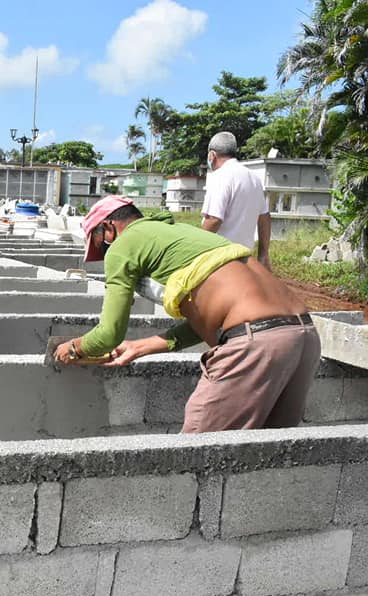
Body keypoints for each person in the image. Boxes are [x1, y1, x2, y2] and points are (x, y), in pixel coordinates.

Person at [54, 195, 320, 434]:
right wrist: (141, 346)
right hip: (302, 335)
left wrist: (74, 348)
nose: (104, 253)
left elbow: (109, 335)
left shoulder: (124, 245)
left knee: (194, 454)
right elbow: (211, 320)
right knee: (268, 453)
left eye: (99, 243)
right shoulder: (184, 234)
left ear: (109, 227)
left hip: (255, 343)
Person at [201, 131, 271, 268]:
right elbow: (264, 218)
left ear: (212, 155)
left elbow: (214, 219)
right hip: (245, 258)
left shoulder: (220, 176)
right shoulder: (254, 178)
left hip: (221, 258)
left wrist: (196, 245)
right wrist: (263, 255)